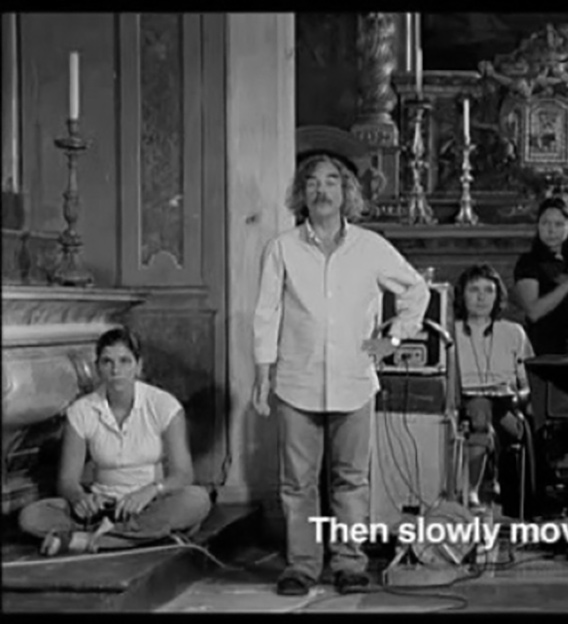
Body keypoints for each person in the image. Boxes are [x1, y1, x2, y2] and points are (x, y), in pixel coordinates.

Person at [253, 154, 429, 597]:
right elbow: (266, 313)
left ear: (346, 192)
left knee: (351, 480)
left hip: (354, 380)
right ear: (302, 193)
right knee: (298, 483)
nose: (322, 190)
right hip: (297, 381)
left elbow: (416, 288)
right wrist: (261, 374)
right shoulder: (282, 248)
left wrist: (395, 337)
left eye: (332, 182)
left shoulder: (370, 247)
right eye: (313, 183)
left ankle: (350, 563)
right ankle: (302, 566)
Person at [18, 327, 212, 555]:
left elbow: (183, 474)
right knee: (31, 517)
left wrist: (150, 491)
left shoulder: (164, 405)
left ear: (138, 366)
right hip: (102, 508)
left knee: (197, 500)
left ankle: (90, 541)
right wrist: (80, 498)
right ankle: (142, 536)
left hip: (150, 503)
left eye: (124, 361)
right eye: (107, 362)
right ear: (97, 367)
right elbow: (67, 481)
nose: (116, 370)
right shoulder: (81, 410)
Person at [452, 263, 536, 514]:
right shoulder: (450, 332)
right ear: (462, 295)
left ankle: (488, 490)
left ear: (498, 295)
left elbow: (528, 383)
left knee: (500, 419)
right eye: (474, 290)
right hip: (462, 400)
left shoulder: (514, 332)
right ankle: (474, 491)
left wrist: (519, 398)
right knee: (479, 410)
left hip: (506, 402)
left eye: (488, 290)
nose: (481, 297)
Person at [513, 195, 568, 355]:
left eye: (558, 224)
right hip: (543, 349)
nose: (551, 230)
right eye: (545, 223)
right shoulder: (528, 262)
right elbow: (533, 312)